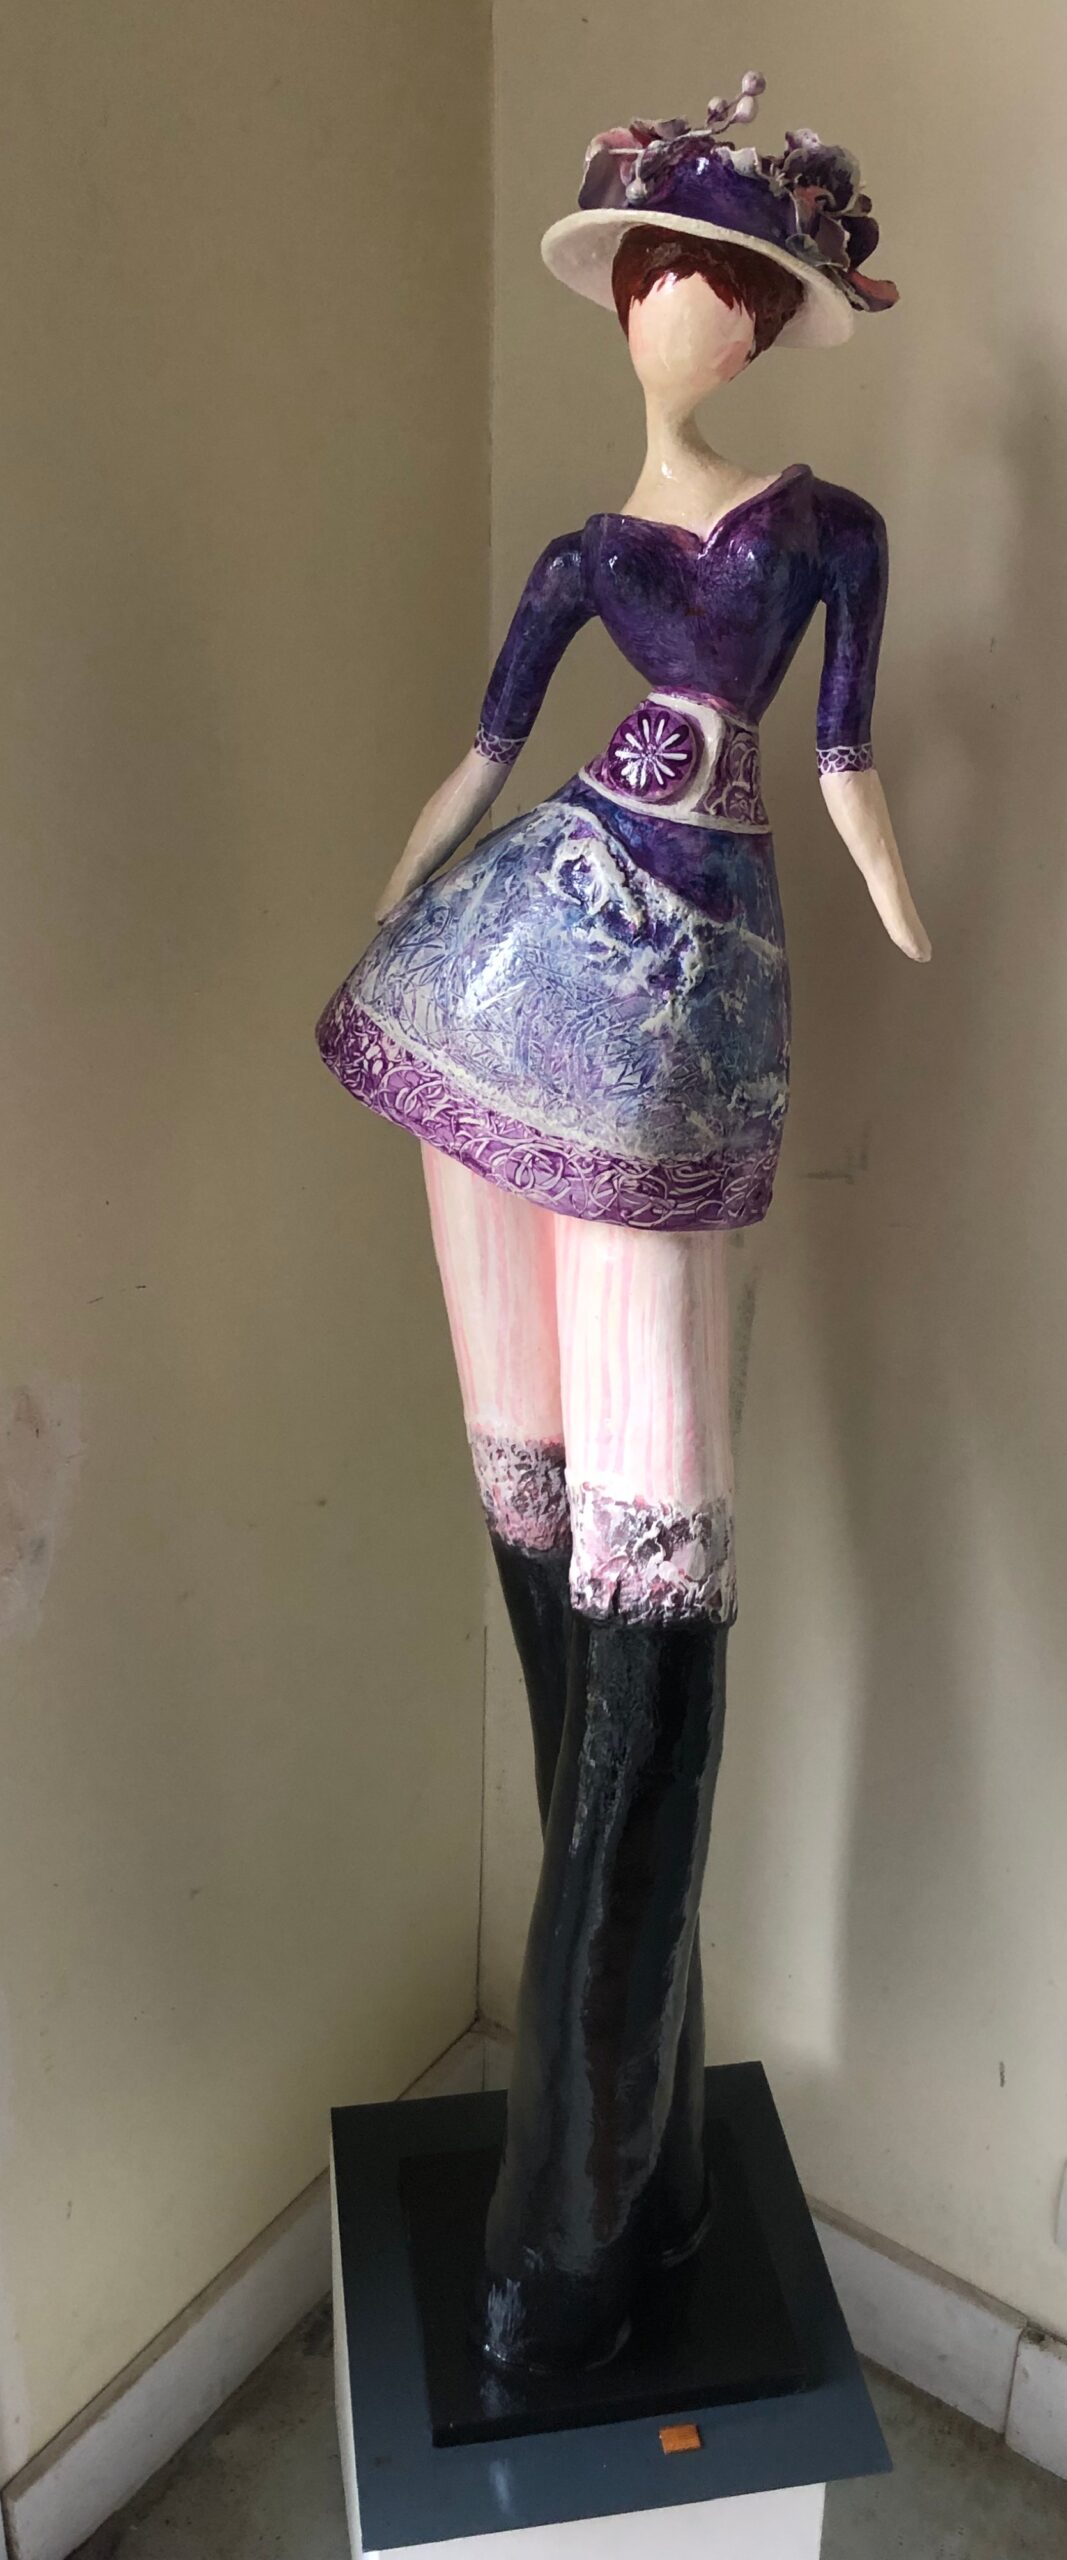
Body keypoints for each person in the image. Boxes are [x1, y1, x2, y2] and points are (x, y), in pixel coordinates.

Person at [317, 72, 929, 2376]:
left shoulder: (826, 532)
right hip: (519, 955)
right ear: (631, 303)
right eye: (662, 276)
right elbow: (481, 756)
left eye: (724, 284)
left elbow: (845, 760)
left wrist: (896, 890)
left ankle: (590, 2201)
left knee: (653, 1558)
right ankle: (608, 2160)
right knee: (548, 1517)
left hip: (692, 978)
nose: (686, 312)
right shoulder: (589, 549)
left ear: (762, 318)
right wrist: (392, 905)